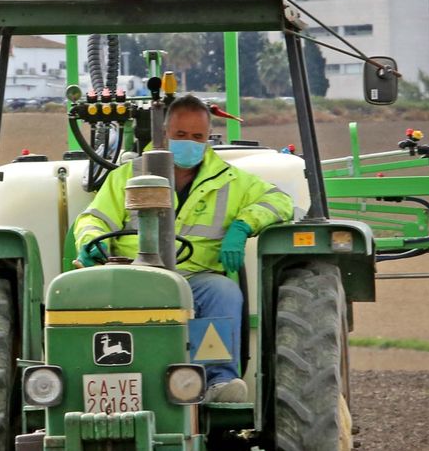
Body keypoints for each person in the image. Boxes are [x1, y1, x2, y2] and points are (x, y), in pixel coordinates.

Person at [73, 94, 295, 402]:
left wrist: (242, 226)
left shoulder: (231, 180)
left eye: (197, 137)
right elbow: (94, 218)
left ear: (207, 139)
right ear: (163, 134)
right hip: (131, 275)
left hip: (196, 278)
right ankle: (96, 384)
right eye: (180, 135)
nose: (188, 142)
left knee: (224, 292)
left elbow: (280, 201)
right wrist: (88, 242)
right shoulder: (127, 175)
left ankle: (217, 383)